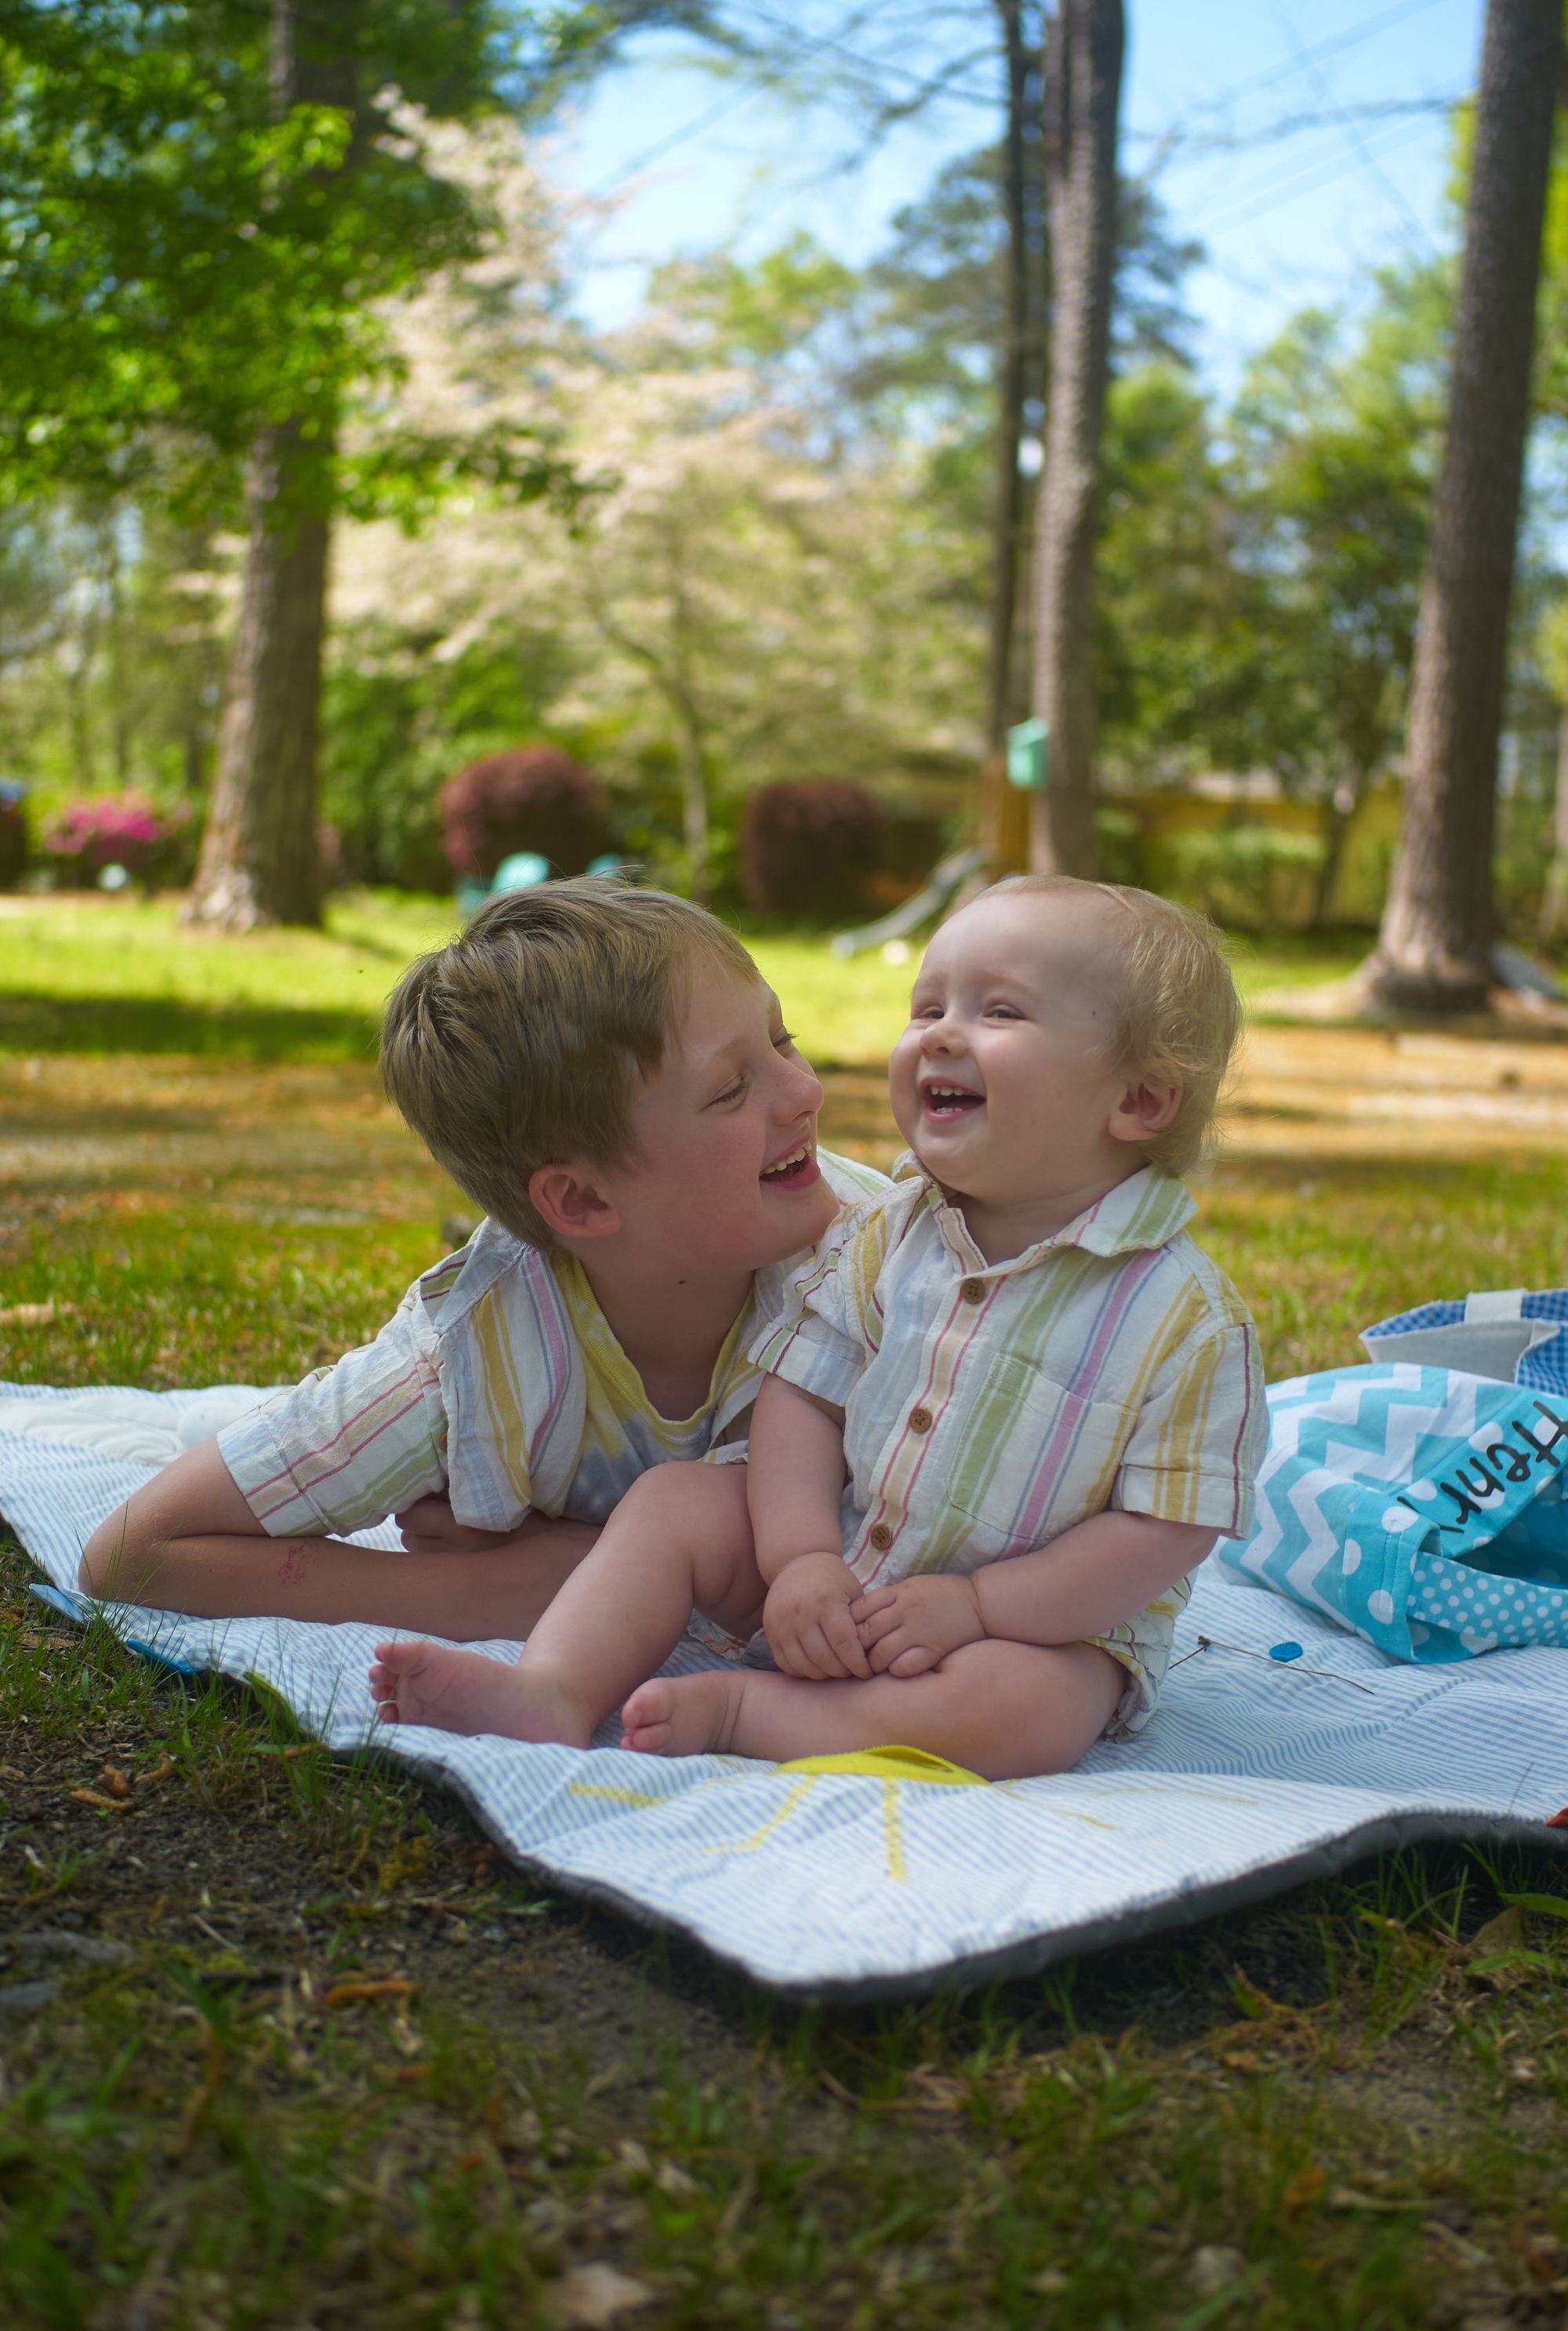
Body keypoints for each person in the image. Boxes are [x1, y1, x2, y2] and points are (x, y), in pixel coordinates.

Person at [368, 876, 1266, 1782]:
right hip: (839, 1550)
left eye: (999, 1011)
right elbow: (802, 1397)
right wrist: (798, 1558)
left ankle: (754, 1713)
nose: (938, 1035)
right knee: (678, 1500)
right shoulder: (882, 1236)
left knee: (1032, 1709)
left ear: (1138, 1100)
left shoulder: (1185, 1322)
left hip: (1029, 1627)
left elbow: (1160, 1534)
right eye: (927, 1007)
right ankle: (554, 1688)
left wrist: (980, 1608)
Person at [77, 880, 887, 1638]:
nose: (805, 1092)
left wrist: (605, 1553)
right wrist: (488, 1588)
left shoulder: (894, 1264)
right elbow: (130, 1553)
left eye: (782, 1039)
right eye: (730, 1089)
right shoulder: (464, 1372)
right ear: (582, 1200)